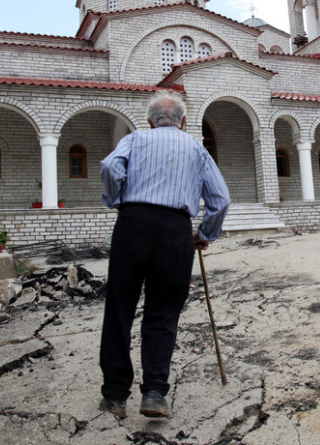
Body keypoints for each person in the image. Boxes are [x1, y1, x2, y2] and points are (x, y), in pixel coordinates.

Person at [98, 91, 231, 420]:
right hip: (175, 231)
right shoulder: (196, 148)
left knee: (120, 309)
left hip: (133, 224)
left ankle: (115, 395)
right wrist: (205, 234)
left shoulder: (137, 138)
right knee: (163, 312)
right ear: (184, 122)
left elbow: (110, 166)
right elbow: (221, 200)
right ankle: (155, 393)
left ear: (149, 121)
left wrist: (117, 200)